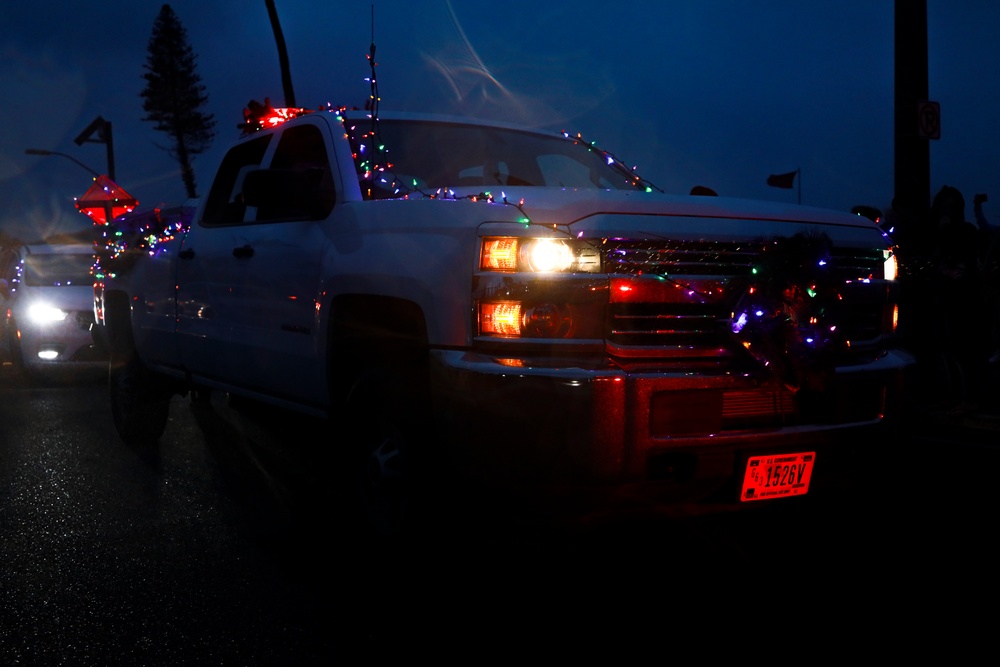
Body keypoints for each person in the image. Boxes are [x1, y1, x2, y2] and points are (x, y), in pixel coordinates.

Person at [928, 186, 990, 414]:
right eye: (944, 206)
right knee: (945, 348)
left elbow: (964, 260)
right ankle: (951, 395)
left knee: (964, 349)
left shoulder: (965, 231)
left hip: (963, 299)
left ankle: (971, 399)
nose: (947, 211)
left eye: (951, 207)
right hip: (942, 297)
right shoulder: (934, 231)